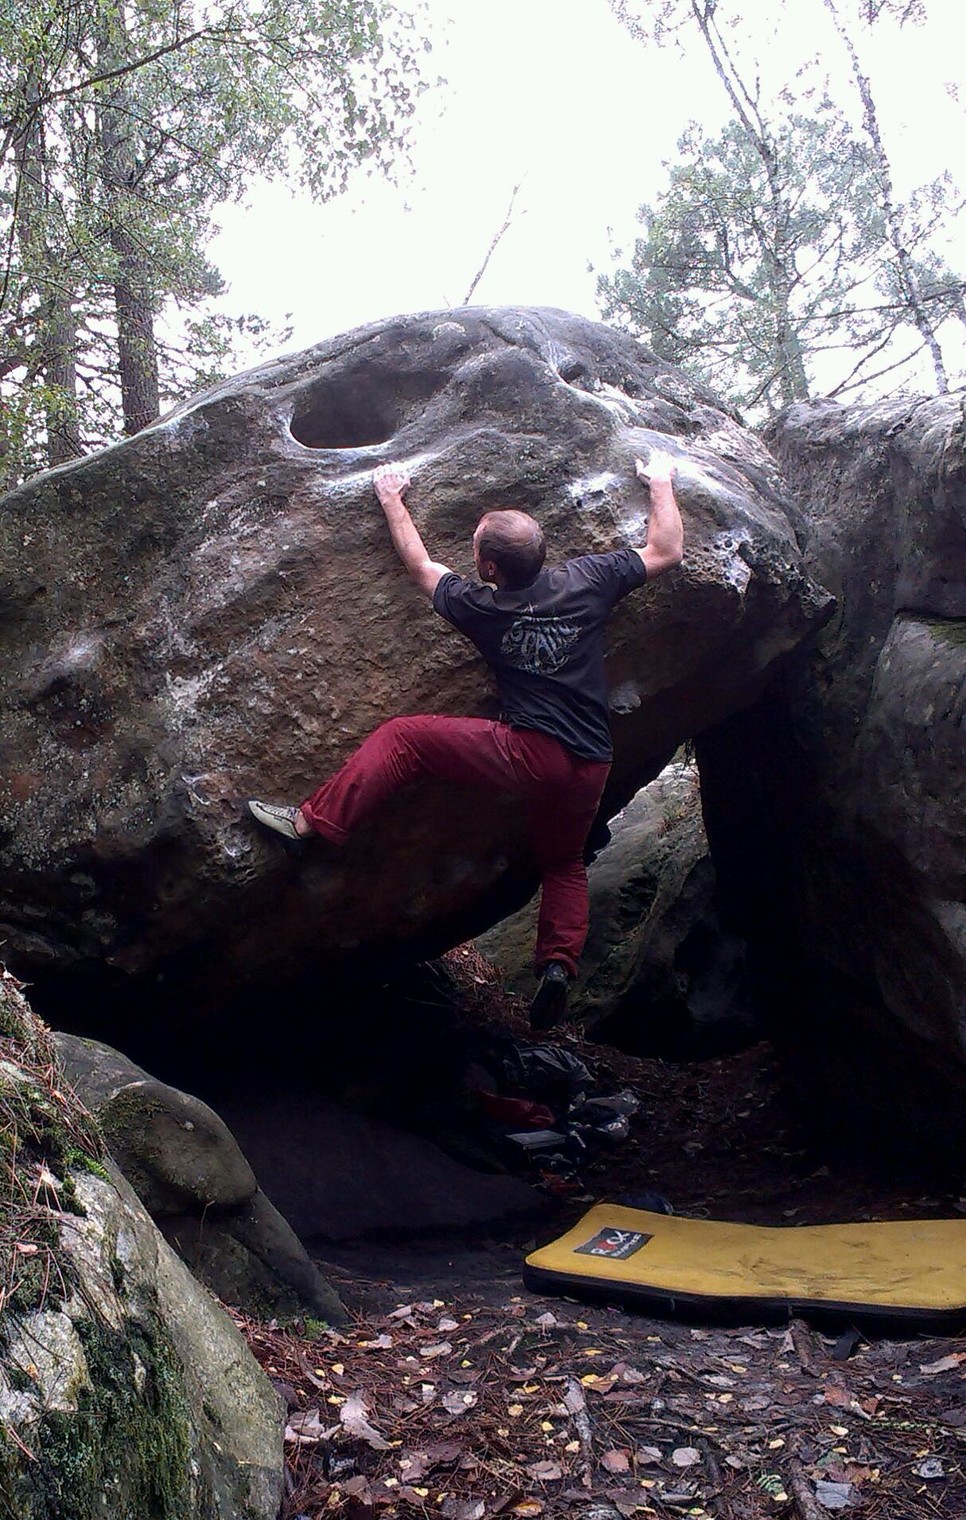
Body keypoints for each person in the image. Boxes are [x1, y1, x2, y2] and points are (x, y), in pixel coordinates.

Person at [248, 452, 684, 1029]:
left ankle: (311, 825)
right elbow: (666, 550)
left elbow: (420, 566)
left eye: (477, 546)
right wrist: (661, 481)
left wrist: (391, 499)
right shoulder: (590, 579)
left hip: (531, 754)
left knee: (404, 738)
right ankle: (558, 964)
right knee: (563, 863)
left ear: (489, 568)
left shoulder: (482, 608)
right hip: (591, 761)